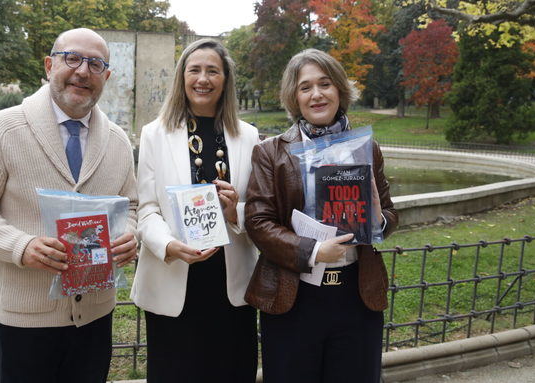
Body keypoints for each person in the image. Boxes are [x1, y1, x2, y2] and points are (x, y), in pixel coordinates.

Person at [0, 28, 138, 383]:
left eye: (95, 64)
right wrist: (21, 246)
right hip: (26, 317)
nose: (82, 71)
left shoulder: (119, 141)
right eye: (72, 58)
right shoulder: (3, 128)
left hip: (96, 316)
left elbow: (132, 206)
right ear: (50, 65)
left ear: (106, 77)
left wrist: (129, 233)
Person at [243, 49, 398, 383]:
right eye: (305, 87)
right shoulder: (271, 152)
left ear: (339, 90)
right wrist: (312, 251)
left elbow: (389, 213)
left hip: (357, 296)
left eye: (325, 84)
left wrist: (377, 221)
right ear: (294, 97)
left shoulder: (366, 148)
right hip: (294, 298)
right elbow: (257, 221)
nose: (316, 94)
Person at [131, 39, 260, 383]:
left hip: (231, 285)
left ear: (225, 79)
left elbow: (261, 210)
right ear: (182, 77)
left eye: (212, 71)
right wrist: (168, 246)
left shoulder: (248, 136)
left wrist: (236, 213)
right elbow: (147, 209)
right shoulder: (154, 134)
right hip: (174, 278)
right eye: (195, 70)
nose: (203, 78)